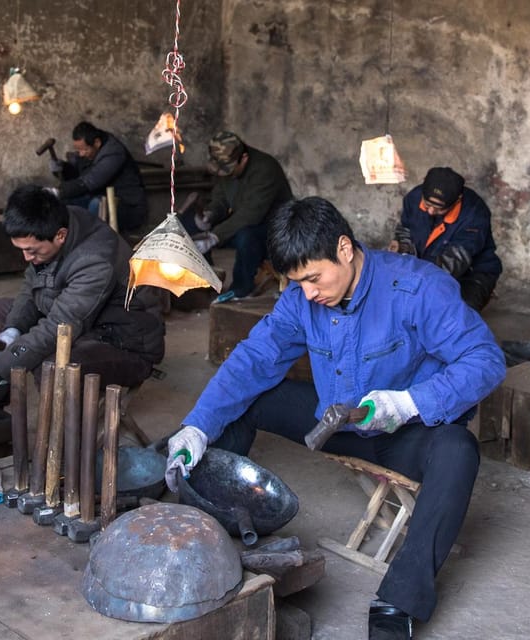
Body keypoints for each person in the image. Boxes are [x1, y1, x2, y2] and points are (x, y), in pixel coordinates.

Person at [164, 196, 506, 639]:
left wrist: (408, 403)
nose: (308, 293)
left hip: (407, 430)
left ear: (345, 249)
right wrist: (197, 425)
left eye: (313, 278)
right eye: (296, 282)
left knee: (459, 451)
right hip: (336, 420)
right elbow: (255, 359)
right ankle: (203, 529)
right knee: (245, 398)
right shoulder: (300, 298)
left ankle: (398, 602)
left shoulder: (418, 287)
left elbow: (486, 360)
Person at [0, 185, 165, 410]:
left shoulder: (94, 261)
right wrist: (15, 328)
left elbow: (59, 327)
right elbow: (33, 284)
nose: (26, 257)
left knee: (52, 364)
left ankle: (59, 441)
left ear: (60, 236)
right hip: (88, 322)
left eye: (32, 251)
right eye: (21, 250)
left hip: (123, 342)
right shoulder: (54, 224)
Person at [189, 131, 293, 304]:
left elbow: (250, 215)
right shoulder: (227, 165)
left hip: (276, 230)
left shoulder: (266, 169)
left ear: (244, 159)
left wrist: (215, 236)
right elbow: (221, 198)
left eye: (228, 171)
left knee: (246, 236)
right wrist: (210, 214)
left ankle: (241, 289)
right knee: (193, 226)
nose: (226, 175)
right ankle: (203, 283)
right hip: (245, 220)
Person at [389, 167, 502, 311]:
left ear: (457, 200)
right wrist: (402, 247)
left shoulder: (475, 213)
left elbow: (455, 261)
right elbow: (406, 228)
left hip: (469, 274)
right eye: (427, 205)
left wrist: (415, 282)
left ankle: (483, 292)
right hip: (424, 268)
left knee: (455, 314)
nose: (430, 211)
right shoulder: (414, 197)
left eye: (438, 208)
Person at [48, 121, 148, 234]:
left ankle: (93, 243)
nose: (81, 154)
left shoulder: (113, 153)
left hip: (128, 208)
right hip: (99, 197)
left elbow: (90, 182)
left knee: (97, 205)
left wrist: (58, 191)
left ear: (97, 142)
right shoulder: (91, 152)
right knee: (65, 203)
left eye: (84, 150)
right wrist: (62, 168)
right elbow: (79, 176)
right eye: (78, 150)